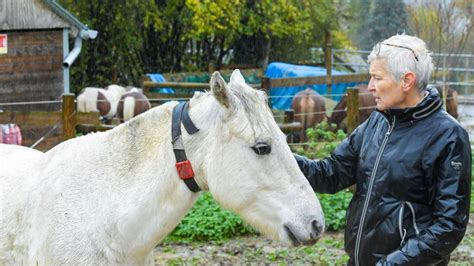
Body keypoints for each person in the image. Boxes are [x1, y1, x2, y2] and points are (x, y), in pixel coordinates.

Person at [295, 34, 471, 265]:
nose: (370, 87)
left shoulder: (447, 136)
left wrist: (394, 263)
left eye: (377, 78)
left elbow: (449, 226)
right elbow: (330, 174)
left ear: (406, 81)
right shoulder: (377, 123)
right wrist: (278, 156)